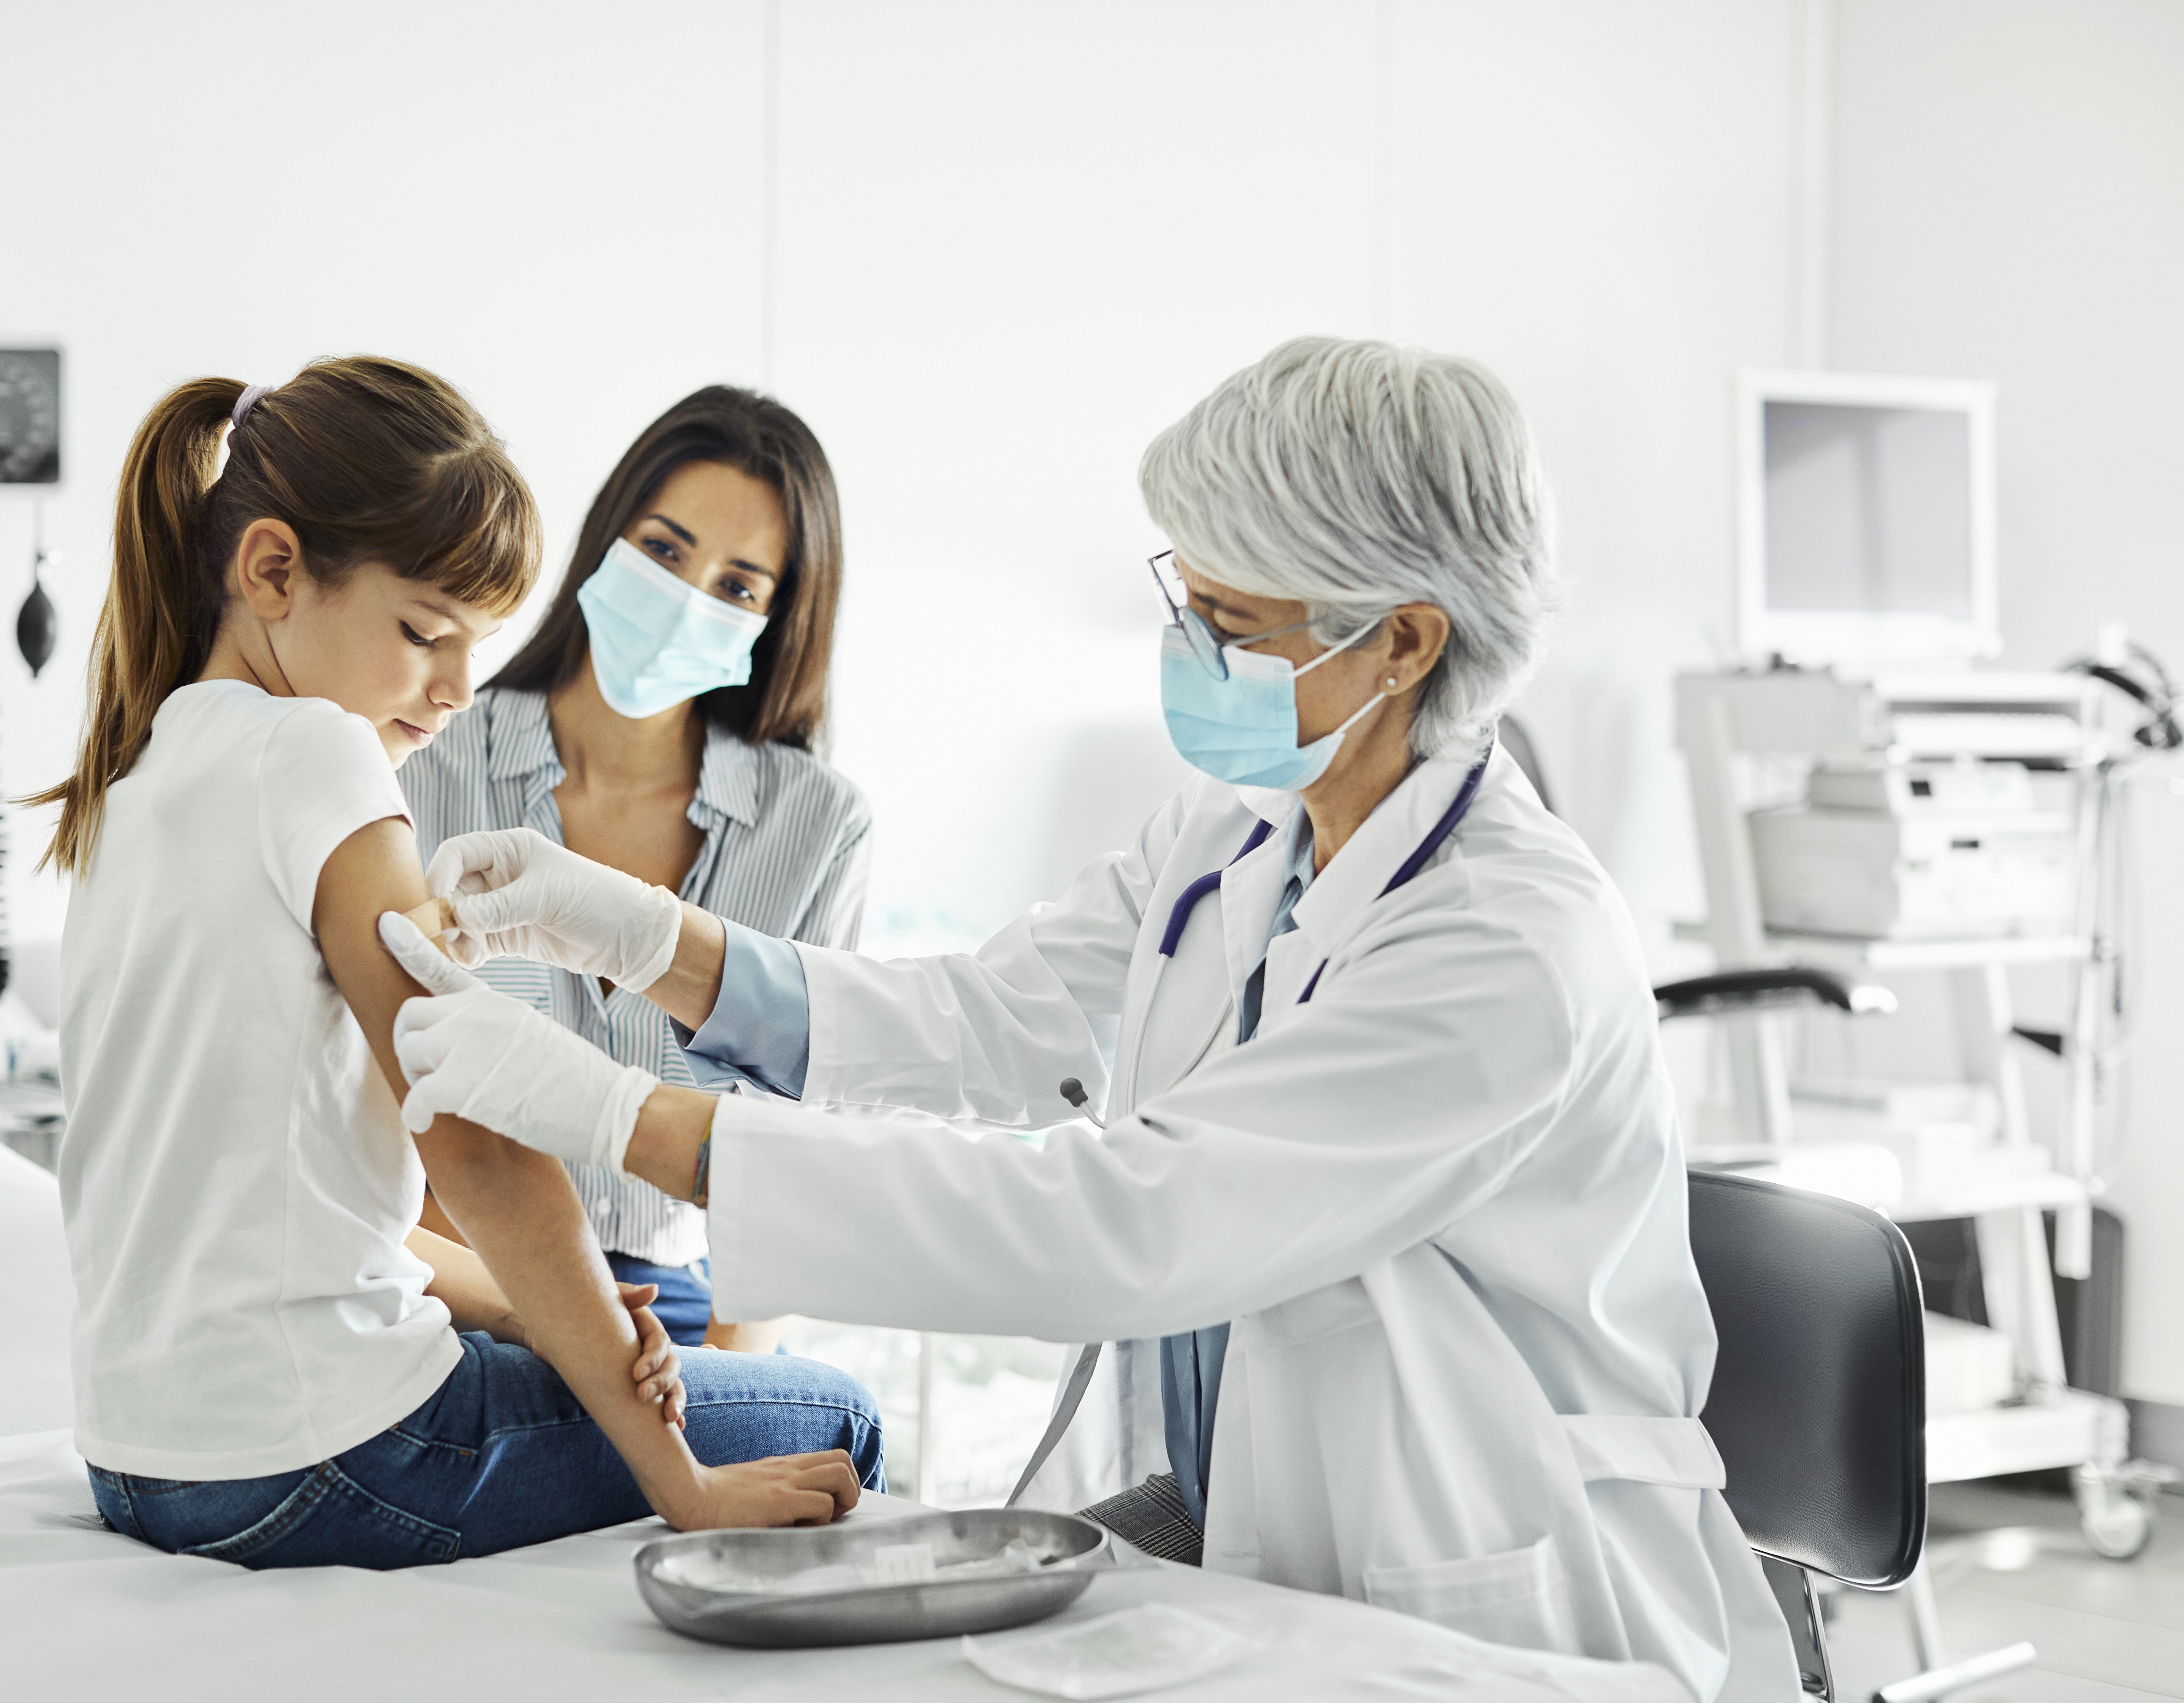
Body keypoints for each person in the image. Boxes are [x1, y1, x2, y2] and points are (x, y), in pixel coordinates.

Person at [372, 336, 1795, 1697]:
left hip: (1490, 1581)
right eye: (1190, 599)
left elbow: (1129, 1224)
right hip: (1253, 1511)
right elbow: (988, 1018)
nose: (1187, 646)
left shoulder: (1507, 944)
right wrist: (643, 938)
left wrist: (617, 1116)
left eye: (1231, 625)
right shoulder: (1240, 834)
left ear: (1404, 643)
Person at [34, 356, 881, 1570]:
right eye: (428, 634)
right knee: (837, 1415)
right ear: (272, 570)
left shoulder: (139, 775)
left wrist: (518, 1311)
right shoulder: (322, 754)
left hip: (144, 1461)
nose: (452, 690)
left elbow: (269, 1195)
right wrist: (680, 1482)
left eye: (476, 645)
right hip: (323, 1446)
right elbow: (473, 1128)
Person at [399, 385, 860, 1352]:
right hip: (449, 1281)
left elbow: (793, 1158)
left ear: (775, 620)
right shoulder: (428, 755)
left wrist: (731, 1394)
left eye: (738, 585)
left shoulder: (818, 826)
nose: (688, 599)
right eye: (664, 549)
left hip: (678, 1306)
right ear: (609, 540)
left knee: (837, 1440)